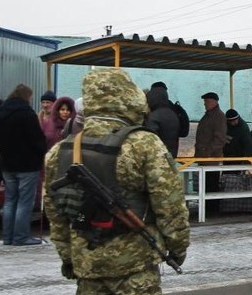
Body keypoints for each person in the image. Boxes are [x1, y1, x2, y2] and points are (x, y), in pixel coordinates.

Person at [43, 68, 190, 293]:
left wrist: (68, 256)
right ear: (129, 97)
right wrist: (177, 248)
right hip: (136, 267)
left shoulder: (60, 151)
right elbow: (170, 205)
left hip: (88, 265)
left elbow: (56, 213)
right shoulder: (143, 144)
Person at [0, 84, 48, 245]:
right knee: (25, 201)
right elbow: (36, 140)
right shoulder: (27, 114)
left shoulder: (0, 113)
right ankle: (21, 237)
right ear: (26, 96)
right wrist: (41, 151)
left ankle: (8, 237)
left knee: (9, 201)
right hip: (27, 164)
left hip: (7, 163)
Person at [195, 92, 226, 213]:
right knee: (206, 184)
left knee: (211, 183)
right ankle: (207, 208)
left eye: (207, 101)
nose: (204, 104)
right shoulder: (210, 115)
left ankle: (212, 209)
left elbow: (220, 138)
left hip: (211, 157)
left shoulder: (218, 116)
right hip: (204, 156)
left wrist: (208, 152)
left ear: (214, 102)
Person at [145, 84, 181, 157]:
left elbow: (150, 139)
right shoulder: (172, 113)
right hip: (171, 154)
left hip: (158, 156)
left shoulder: (155, 115)